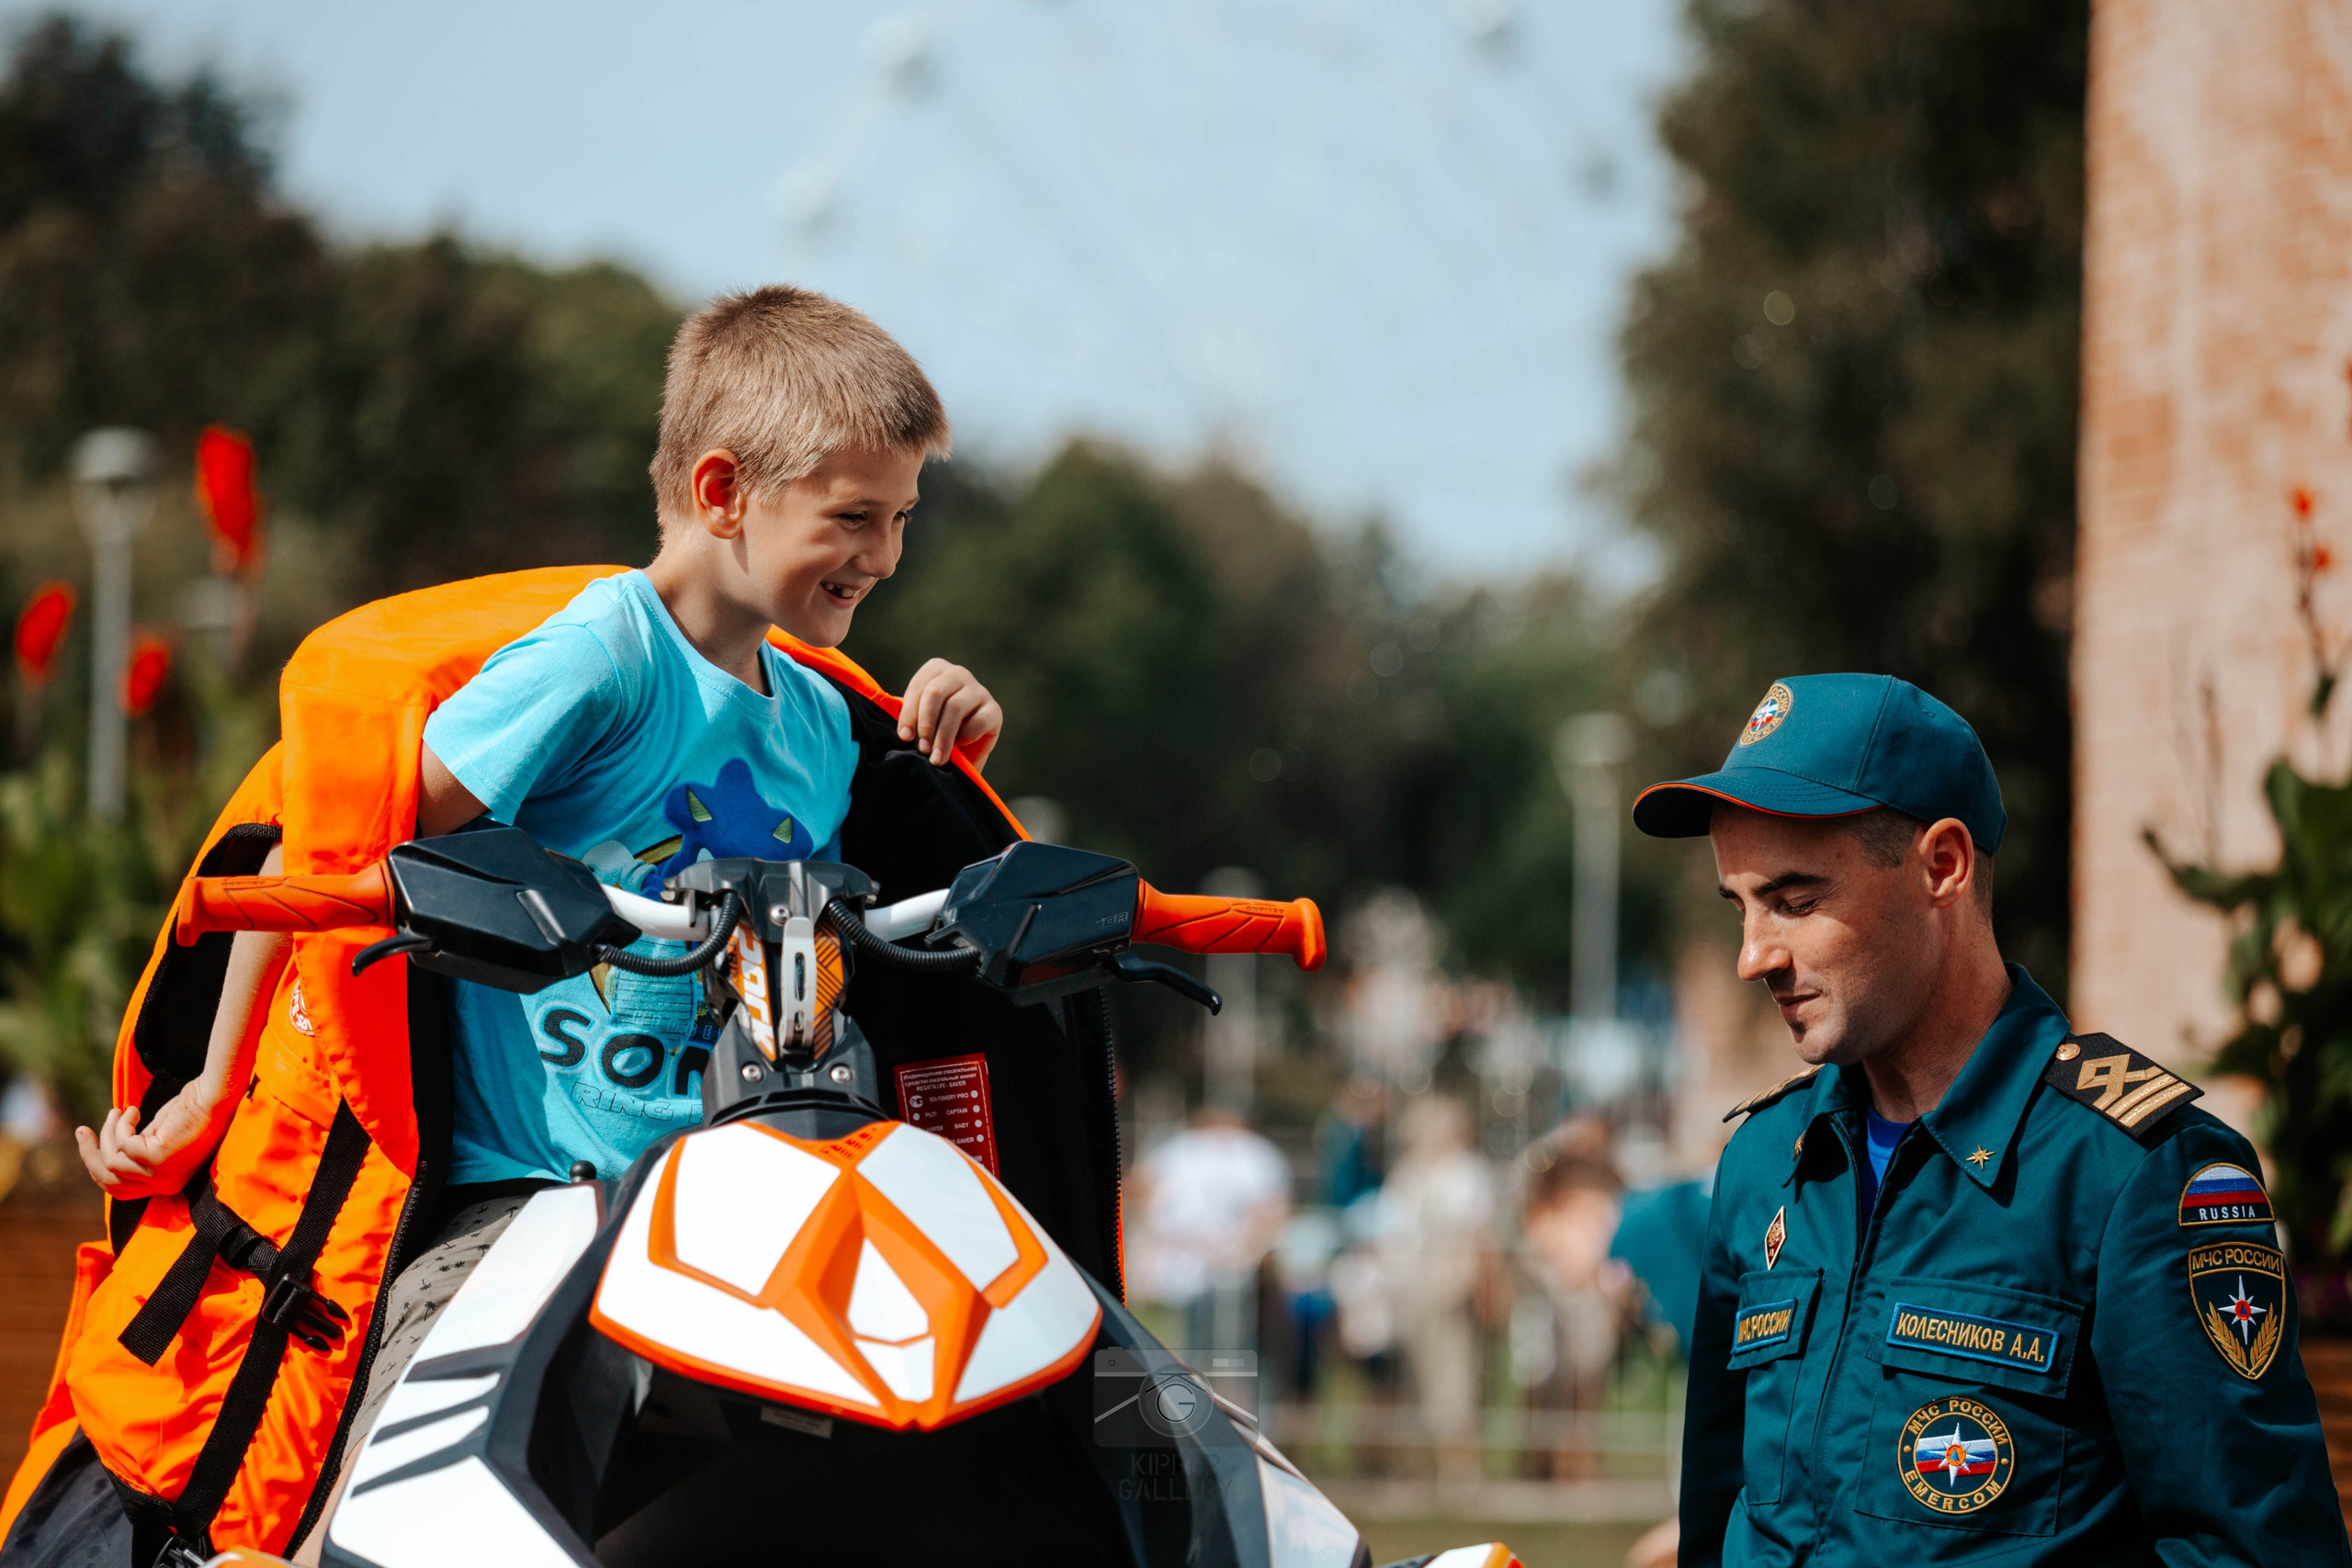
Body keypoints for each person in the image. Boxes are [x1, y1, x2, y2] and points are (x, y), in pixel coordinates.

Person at [57, 287, 1008, 1559]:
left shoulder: (823, 725)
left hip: (739, 1208)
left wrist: (943, 742)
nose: (884, 554)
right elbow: (331, 848)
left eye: (899, 518)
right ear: (724, 490)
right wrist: (211, 1086)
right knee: (407, 1505)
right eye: (853, 515)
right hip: (530, 1199)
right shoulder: (608, 656)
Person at [1636, 672, 2350, 1564]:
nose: (1751, 956)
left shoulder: (2132, 1173)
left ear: (1942, 865)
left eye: (1793, 900)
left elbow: (2257, 1552)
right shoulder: (1763, 1163)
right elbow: (1716, 1519)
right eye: (1737, 907)